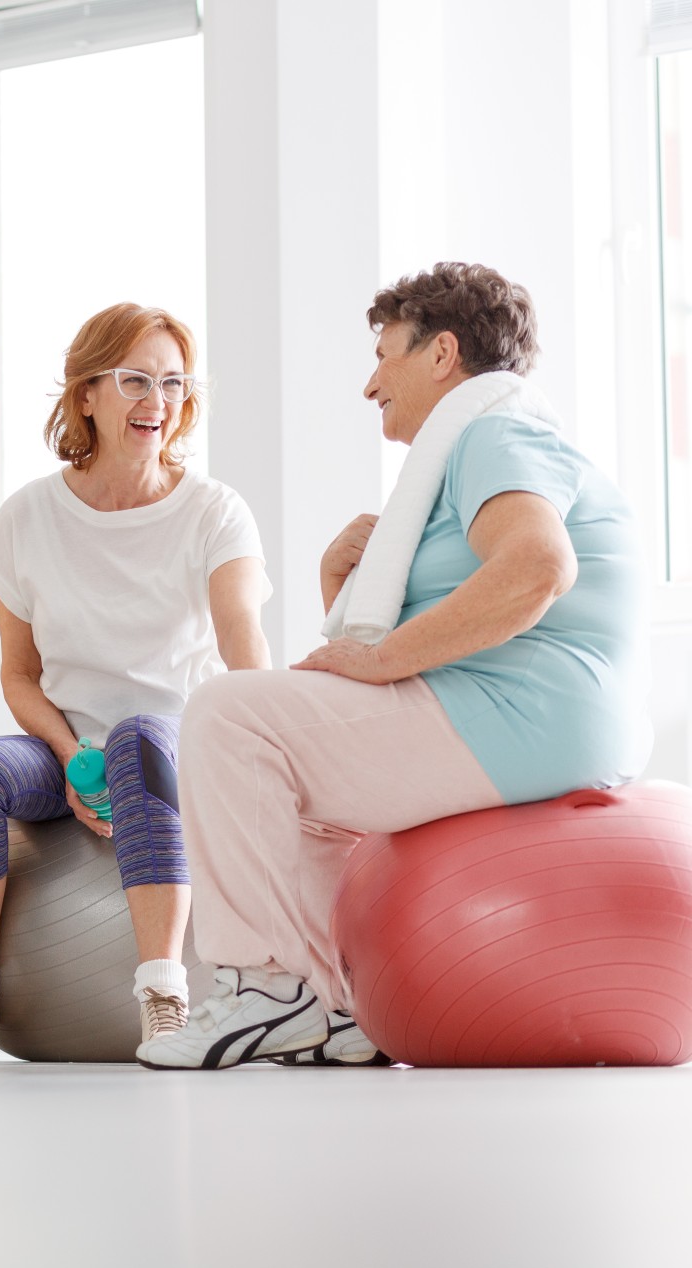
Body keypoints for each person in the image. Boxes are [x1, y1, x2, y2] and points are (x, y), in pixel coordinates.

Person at [139, 262, 651, 1070]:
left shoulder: (495, 431)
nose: (370, 382)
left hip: (531, 712)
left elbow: (536, 570)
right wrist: (340, 593)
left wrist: (382, 658)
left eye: (385, 355)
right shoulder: (475, 450)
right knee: (293, 796)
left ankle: (266, 990)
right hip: (525, 710)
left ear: (442, 354)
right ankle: (337, 1011)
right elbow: (472, 602)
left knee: (226, 712)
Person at [0, 304, 271, 1063]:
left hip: (174, 749)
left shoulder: (214, 512)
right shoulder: (29, 515)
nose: (156, 402)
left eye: (172, 383)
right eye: (135, 379)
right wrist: (68, 755)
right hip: (69, 744)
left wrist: (264, 734)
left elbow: (241, 640)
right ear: (87, 392)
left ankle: (165, 995)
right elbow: (19, 675)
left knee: (138, 742)